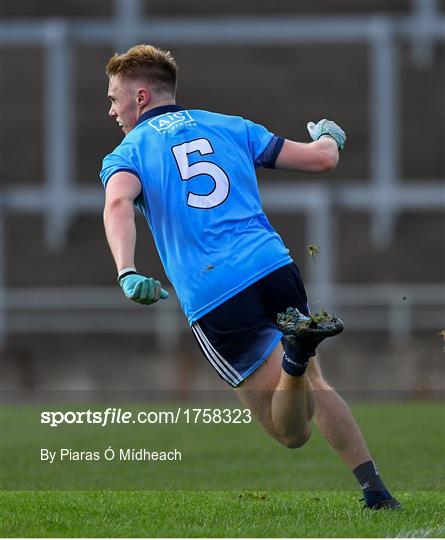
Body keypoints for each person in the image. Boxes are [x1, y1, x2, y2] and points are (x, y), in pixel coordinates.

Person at [100, 44, 400, 510]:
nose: (112, 109)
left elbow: (118, 203)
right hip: (274, 268)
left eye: (115, 98)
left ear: (140, 97)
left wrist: (126, 270)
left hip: (215, 292)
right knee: (314, 384)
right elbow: (320, 160)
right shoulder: (230, 125)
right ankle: (375, 490)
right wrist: (329, 137)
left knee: (291, 432)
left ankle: (295, 357)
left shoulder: (129, 151)